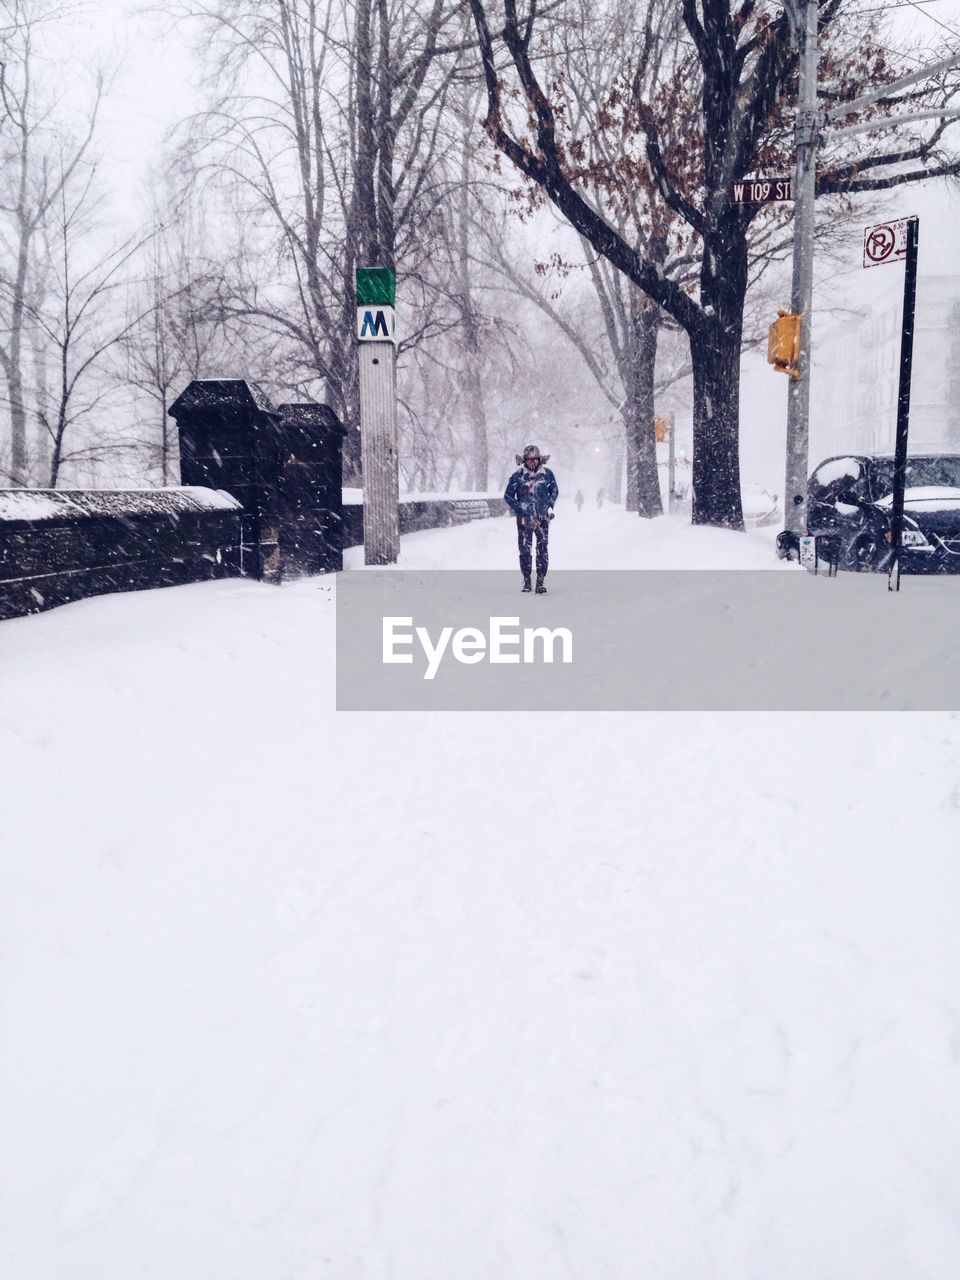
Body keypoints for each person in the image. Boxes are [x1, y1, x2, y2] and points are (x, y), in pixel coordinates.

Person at [504, 444, 559, 593]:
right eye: (529, 460)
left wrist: (548, 505)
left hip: (542, 518)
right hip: (524, 520)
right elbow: (508, 495)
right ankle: (527, 580)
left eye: (535, 459)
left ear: (539, 459)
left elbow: (554, 491)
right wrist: (520, 507)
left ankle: (540, 581)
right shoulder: (517, 476)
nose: (532, 462)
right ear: (524, 460)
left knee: (542, 549)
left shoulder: (547, 474)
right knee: (524, 550)